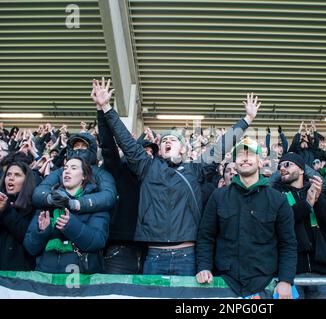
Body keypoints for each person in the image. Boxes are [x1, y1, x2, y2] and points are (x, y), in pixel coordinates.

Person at [92, 78, 260, 276]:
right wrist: (106, 107)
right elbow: (125, 141)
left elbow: (221, 146)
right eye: (164, 140)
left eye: (173, 139)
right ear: (160, 150)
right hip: (153, 257)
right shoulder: (146, 166)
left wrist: (247, 120)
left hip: (187, 257)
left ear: (183, 148)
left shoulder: (195, 170)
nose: (167, 141)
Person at [196, 138, 297, 298]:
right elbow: (205, 237)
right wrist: (204, 267)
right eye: (240, 155)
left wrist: (286, 279)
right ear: (235, 163)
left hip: (265, 285)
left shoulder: (278, 199)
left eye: (250, 154)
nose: (244, 158)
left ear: (260, 161)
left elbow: (288, 244)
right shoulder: (218, 196)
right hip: (225, 283)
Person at [272, 152, 326, 299]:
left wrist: (318, 198)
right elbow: (280, 222)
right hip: (290, 273)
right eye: (280, 166)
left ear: (302, 170)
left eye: (287, 164)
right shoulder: (275, 194)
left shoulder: (317, 191)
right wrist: (307, 203)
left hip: (320, 270)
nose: (282, 168)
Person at [24, 157, 109, 274]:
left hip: (80, 279)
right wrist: (41, 231)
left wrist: (70, 225)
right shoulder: (47, 203)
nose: (67, 171)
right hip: (45, 276)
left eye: (73, 168)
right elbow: (30, 248)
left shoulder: (95, 204)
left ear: (84, 176)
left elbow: (97, 241)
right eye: (65, 168)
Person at [97, 107, 145, 274]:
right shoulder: (119, 168)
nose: (145, 153)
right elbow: (108, 149)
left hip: (153, 251)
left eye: (150, 152)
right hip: (121, 248)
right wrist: (102, 112)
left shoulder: (156, 173)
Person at [32, 132, 117, 218]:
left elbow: (109, 195)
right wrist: (50, 198)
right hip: (59, 218)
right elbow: (39, 191)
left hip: (89, 219)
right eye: (76, 146)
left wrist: (77, 203)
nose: (79, 149)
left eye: (84, 146)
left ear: (91, 149)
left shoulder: (100, 173)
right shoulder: (61, 171)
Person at [0, 162, 36, 270]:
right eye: (8, 174)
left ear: (26, 181)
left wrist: (6, 210)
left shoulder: (34, 205)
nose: (11, 178)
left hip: (18, 275)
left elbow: (28, 236)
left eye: (17, 175)